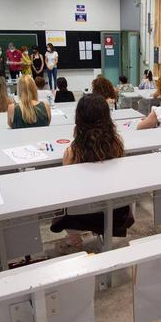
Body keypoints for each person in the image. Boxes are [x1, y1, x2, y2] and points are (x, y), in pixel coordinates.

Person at [50, 95, 134, 248]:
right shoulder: (117, 146)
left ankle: (75, 238)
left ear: (79, 119)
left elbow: (66, 187)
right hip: (116, 211)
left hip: (82, 214)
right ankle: (103, 231)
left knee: (58, 200)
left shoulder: (72, 152)